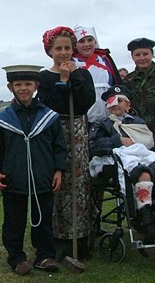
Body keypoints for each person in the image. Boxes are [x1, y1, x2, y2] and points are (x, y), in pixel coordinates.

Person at [0, 64, 67, 276]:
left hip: (43, 176)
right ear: (10, 86)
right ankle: (16, 258)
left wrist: (59, 169)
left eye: (28, 84)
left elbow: (59, 146)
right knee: (14, 220)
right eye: (18, 84)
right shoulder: (3, 119)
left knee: (44, 219)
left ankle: (44, 256)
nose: (23, 88)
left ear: (36, 86)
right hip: (13, 177)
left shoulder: (49, 117)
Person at [89, 85, 155, 244]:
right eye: (112, 101)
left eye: (121, 100)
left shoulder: (138, 123)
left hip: (145, 157)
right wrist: (117, 141)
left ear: (128, 104)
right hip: (118, 164)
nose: (116, 104)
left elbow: (148, 144)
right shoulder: (102, 124)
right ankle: (147, 224)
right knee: (143, 172)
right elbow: (92, 145)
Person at [38, 26, 96, 261]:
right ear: (50, 51)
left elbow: (85, 102)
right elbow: (50, 105)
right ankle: (57, 241)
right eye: (58, 48)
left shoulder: (84, 73)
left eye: (67, 48)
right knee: (57, 184)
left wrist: (75, 77)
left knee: (78, 183)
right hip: (54, 134)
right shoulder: (43, 77)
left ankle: (80, 239)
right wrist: (62, 80)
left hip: (78, 133)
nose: (63, 53)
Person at [72, 24, 122, 123]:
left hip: (109, 115)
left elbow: (117, 84)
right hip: (83, 118)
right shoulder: (71, 61)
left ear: (95, 41)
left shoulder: (105, 59)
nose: (86, 44)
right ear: (75, 44)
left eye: (90, 40)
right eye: (81, 41)